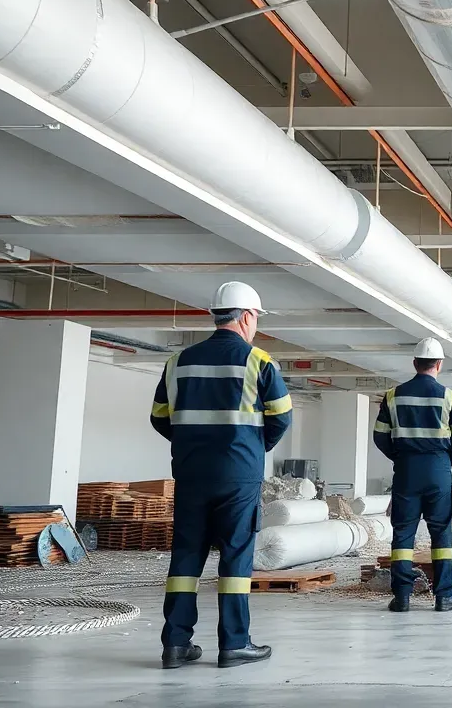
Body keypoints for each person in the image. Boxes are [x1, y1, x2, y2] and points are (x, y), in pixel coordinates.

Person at [149, 281, 292, 669]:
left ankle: (176, 645)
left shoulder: (178, 362)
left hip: (192, 474)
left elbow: (160, 417)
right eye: (256, 318)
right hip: (238, 476)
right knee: (236, 558)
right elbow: (281, 417)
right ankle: (234, 644)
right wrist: (251, 447)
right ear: (246, 316)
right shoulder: (259, 361)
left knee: (185, 558)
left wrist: (194, 444)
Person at [372, 337, 452, 613]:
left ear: (415, 363)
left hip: (406, 470)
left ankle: (402, 597)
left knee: (403, 534)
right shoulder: (450, 397)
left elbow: (380, 437)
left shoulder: (393, 396)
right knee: (441, 534)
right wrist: (444, 461)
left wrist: (401, 458)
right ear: (439, 365)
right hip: (438, 470)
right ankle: (444, 597)